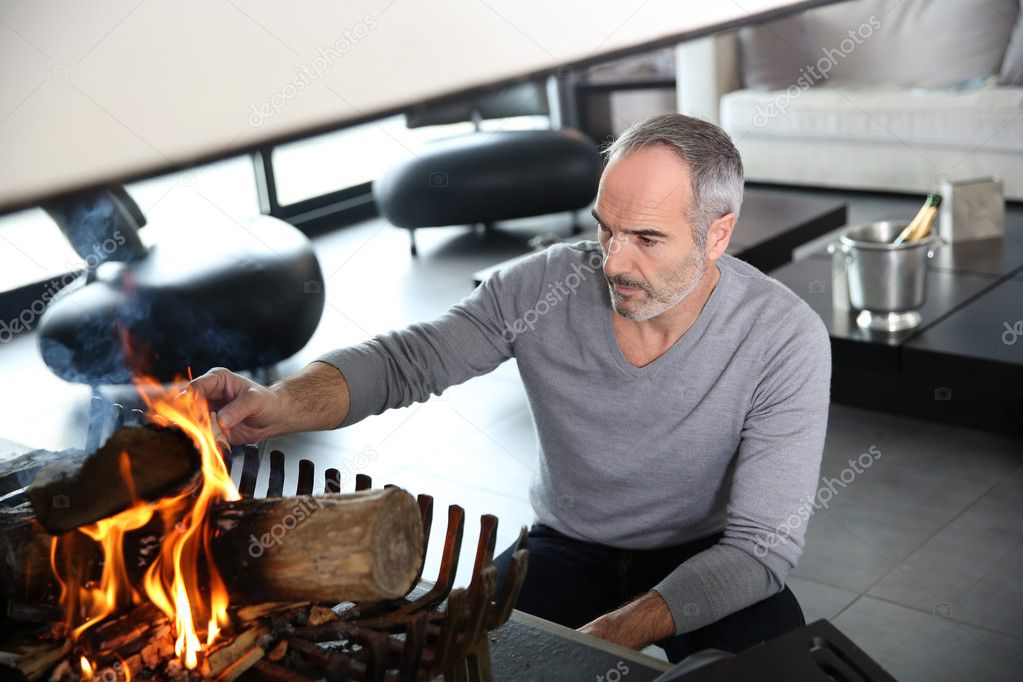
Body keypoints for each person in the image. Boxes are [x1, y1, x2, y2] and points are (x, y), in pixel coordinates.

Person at [188, 113, 831, 662]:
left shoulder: (783, 337)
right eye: (606, 227)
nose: (613, 262)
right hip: (569, 545)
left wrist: (603, 639)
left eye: (647, 239)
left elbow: (759, 549)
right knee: (462, 662)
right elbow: (409, 360)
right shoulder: (541, 287)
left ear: (718, 235)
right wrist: (278, 405)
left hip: (709, 552)